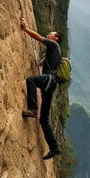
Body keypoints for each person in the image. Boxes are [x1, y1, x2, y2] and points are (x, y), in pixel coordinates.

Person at [20, 16, 63, 160]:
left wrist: (25, 28)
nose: (49, 34)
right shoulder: (56, 51)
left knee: (31, 80)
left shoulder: (53, 44)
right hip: (51, 85)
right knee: (44, 120)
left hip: (48, 80)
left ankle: (32, 109)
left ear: (55, 39)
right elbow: (42, 63)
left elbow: (38, 37)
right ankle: (55, 149)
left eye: (52, 33)